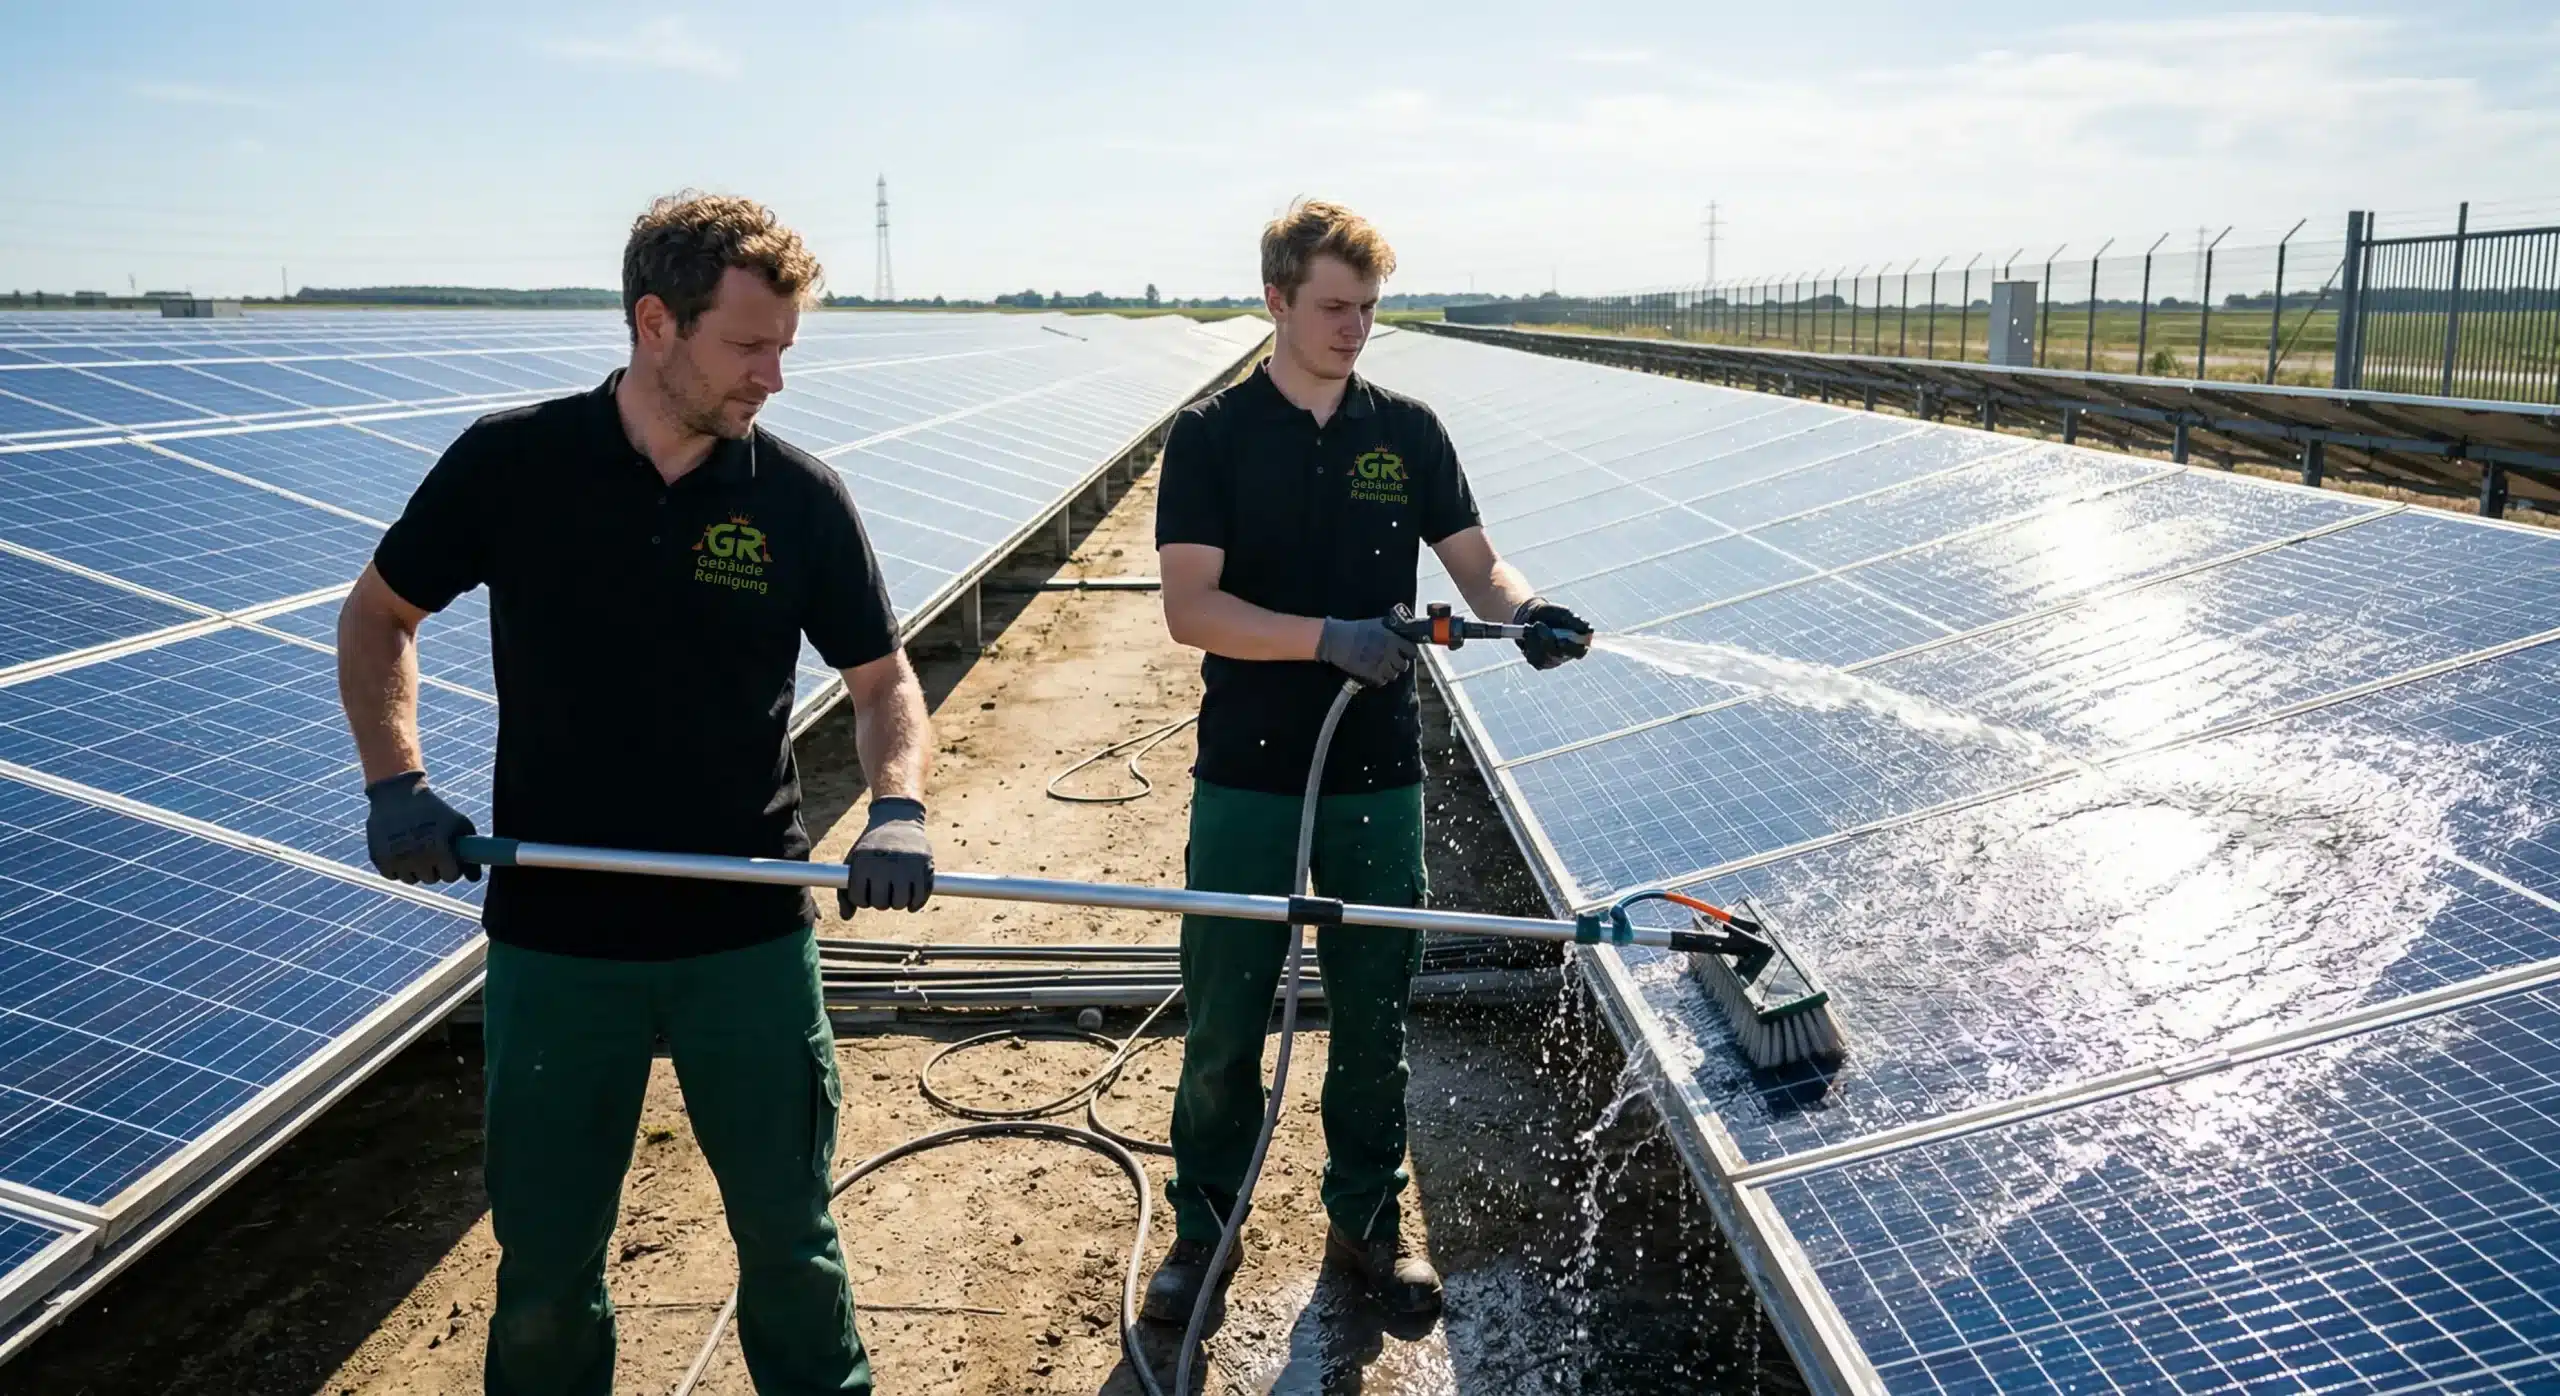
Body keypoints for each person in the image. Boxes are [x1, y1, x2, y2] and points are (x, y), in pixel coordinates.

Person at [335, 192, 936, 1396]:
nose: (774, 375)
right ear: (654, 323)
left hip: (748, 934)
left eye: (785, 347)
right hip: (561, 944)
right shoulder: (515, 463)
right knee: (548, 1267)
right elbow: (378, 616)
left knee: (790, 1240)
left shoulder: (797, 496)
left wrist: (900, 803)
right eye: (749, 345)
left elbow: (882, 681)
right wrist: (395, 780)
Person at [1146, 199, 1591, 1322]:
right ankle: (1207, 1229)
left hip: (1375, 778)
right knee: (1222, 1021)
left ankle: (1368, 1226)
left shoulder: (1407, 432)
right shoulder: (1210, 437)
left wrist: (1527, 609)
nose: (1354, 329)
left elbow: (1479, 564)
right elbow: (1192, 608)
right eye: (1333, 307)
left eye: (1368, 310)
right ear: (1277, 300)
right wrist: (1321, 637)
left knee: (1373, 1023)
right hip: (1248, 777)